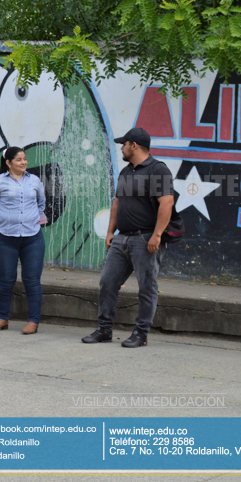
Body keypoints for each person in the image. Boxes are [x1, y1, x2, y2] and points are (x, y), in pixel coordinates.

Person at [82, 127, 174, 348]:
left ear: (134, 145)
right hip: (121, 239)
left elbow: (167, 202)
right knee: (107, 282)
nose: (121, 148)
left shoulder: (157, 170)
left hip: (145, 240)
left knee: (146, 287)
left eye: (124, 144)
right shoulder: (126, 172)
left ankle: (141, 334)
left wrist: (157, 235)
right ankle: (104, 329)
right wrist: (110, 232)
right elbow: (117, 203)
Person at [0, 146, 47, 335]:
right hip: (5, 238)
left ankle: (33, 322)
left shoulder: (35, 181)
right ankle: (2, 318)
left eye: (24, 159)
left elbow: (41, 204)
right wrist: (8, 220)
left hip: (32, 238)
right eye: (19, 159)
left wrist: (29, 220)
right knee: (5, 280)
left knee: (32, 280)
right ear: (8, 163)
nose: (23, 162)